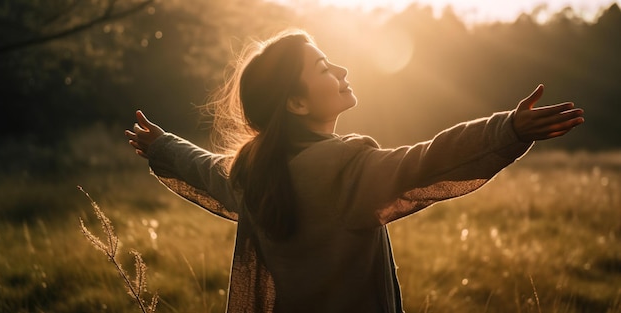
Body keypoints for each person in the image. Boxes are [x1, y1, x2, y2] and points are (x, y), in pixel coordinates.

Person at [125, 29, 584, 312]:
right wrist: (507, 128)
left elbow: (204, 168)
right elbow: (430, 159)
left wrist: (161, 145)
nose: (342, 69)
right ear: (297, 102)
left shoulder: (251, 175)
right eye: (324, 68)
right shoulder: (346, 171)